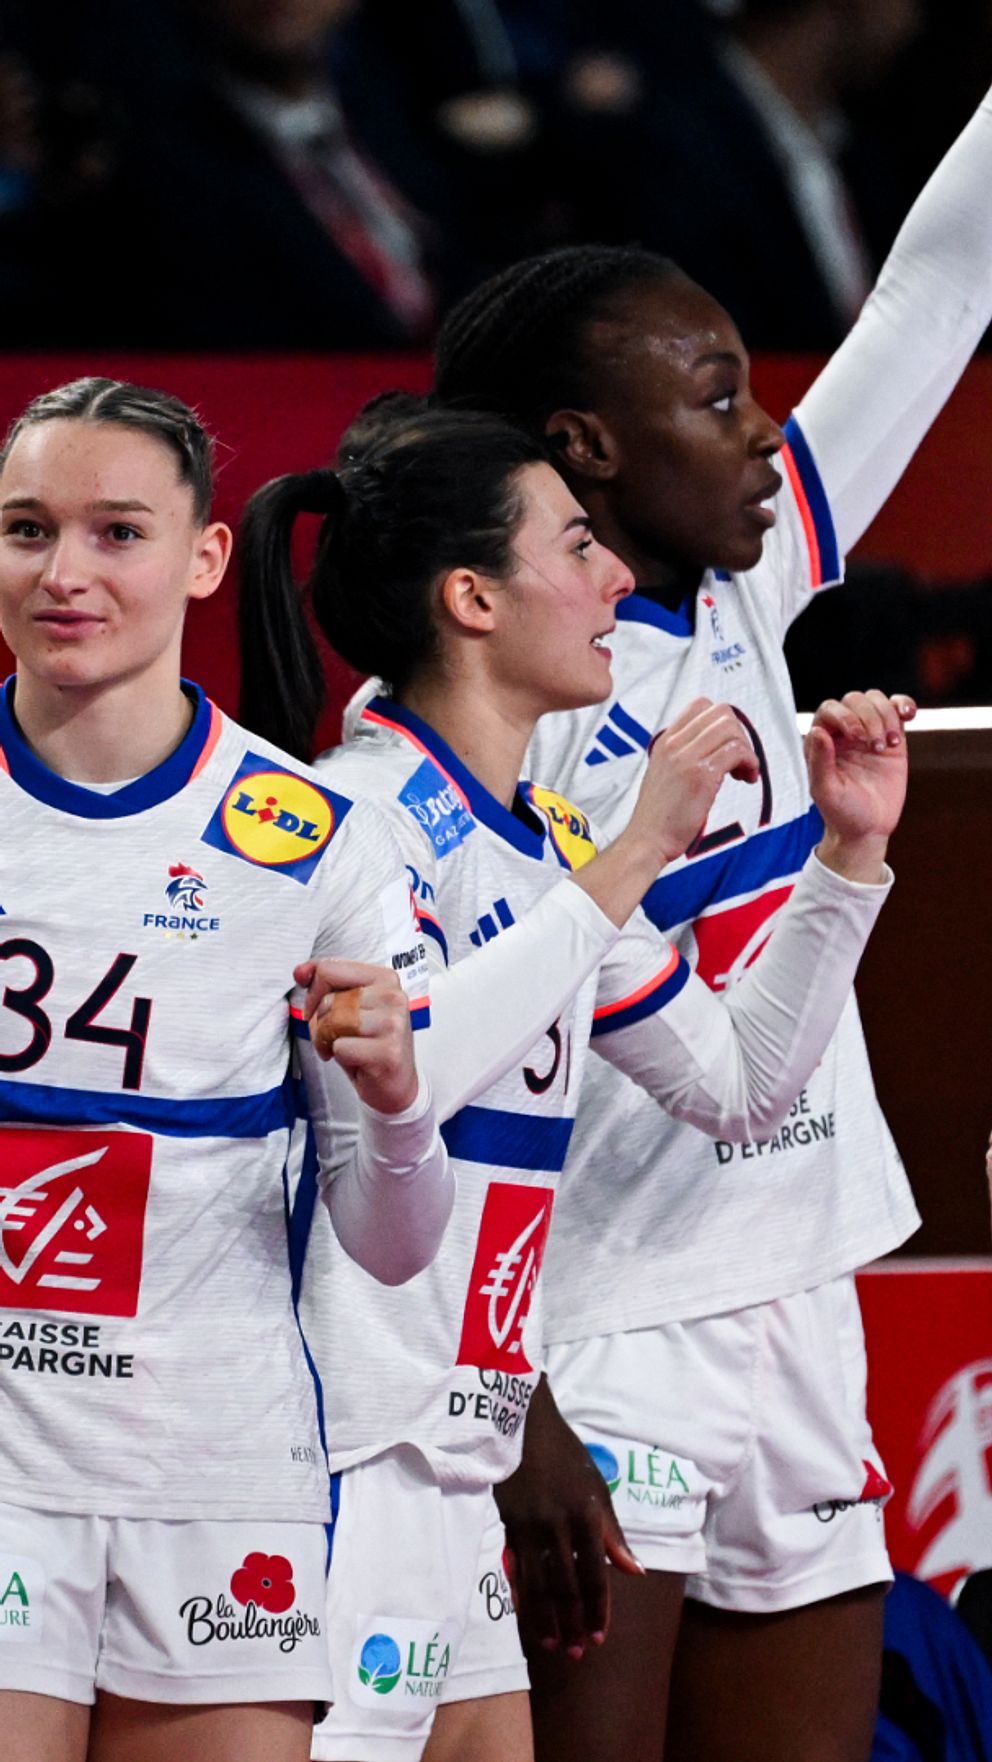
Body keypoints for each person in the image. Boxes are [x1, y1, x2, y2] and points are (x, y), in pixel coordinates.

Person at [430, 77, 992, 1762]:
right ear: (587, 448)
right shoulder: (481, 712)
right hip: (603, 1328)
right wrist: (514, 1399)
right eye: (718, 398)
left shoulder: (757, 575)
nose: (766, 434)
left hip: (803, 1291)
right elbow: (417, 1101)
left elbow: (937, 288)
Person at [236, 399, 907, 1762]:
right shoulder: (354, 818)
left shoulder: (548, 848)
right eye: (578, 546)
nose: (614, 581)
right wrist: (635, 853)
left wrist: (848, 860)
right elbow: (408, 1074)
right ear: (473, 598)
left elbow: (739, 1084)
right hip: (342, 1457)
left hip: (462, 1459)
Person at [0, 375, 460, 1762]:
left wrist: (397, 1104)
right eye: (27, 529)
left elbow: (395, 1246)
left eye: (117, 532)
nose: (63, 572)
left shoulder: (318, 837)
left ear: (206, 557)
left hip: (219, 1466)